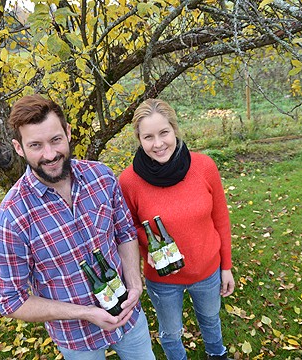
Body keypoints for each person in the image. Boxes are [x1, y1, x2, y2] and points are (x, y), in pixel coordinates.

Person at [0, 94, 155, 360]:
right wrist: (85, 313)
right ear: (19, 148)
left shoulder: (101, 177)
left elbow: (124, 233)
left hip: (129, 317)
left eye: (56, 140)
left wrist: (135, 284)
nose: (50, 154)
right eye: (36, 145)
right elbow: (10, 300)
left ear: (67, 133)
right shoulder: (11, 219)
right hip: (76, 338)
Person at [119, 98, 235, 360]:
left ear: (175, 130)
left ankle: (217, 354)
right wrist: (146, 243)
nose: (158, 144)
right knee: (171, 332)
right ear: (139, 139)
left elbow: (221, 219)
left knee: (210, 318)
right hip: (163, 279)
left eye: (164, 133)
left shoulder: (204, 167)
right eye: (148, 137)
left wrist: (225, 266)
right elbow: (128, 227)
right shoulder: (128, 181)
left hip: (207, 271)